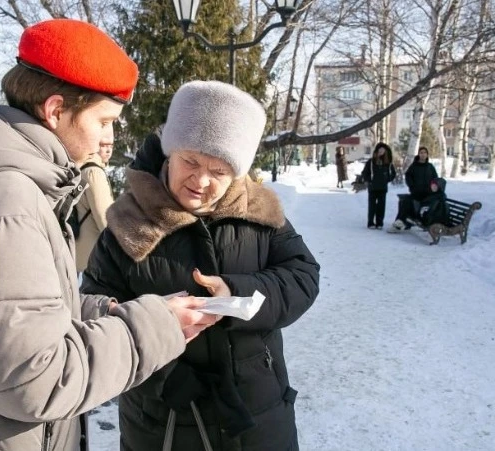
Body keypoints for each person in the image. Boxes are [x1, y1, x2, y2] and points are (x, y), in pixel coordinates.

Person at [0, 19, 220, 451]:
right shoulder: (8, 202)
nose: (110, 139)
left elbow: (6, 315)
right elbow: (34, 379)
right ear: (55, 110)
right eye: (104, 121)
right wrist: (159, 326)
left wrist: (100, 311)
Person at [81, 81, 321, 451]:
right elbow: (91, 306)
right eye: (190, 161)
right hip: (161, 421)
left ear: (237, 173)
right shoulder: (128, 222)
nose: (201, 180)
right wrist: (156, 347)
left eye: (219, 170)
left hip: (258, 415)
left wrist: (235, 292)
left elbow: (303, 276)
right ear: (170, 153)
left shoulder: (259, 212)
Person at [75, 149, 114, 273]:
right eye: (104, 145)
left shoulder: (79, 169)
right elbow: (107, 221)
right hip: (91, 261)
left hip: (77, 256)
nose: (108, 150)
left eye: (111, 145)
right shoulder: (94, 172)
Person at [390, 146, 439, 231]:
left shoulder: (430, 167)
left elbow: (435, 179)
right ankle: (399, 222)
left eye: (425, 153)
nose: (423, 154)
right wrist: (412, 186)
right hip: (416, 193)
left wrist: (433, 186)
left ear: (427, 155)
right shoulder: (414, 166)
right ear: (419, 154)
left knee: (408, 202)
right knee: (405, 201)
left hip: (427, 195)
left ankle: (401, 222)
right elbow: (408, 176)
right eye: (421, 153)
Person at [361, 142, 397, 229]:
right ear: (376, 151)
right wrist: (369, 180)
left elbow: (393, 173)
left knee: (381, 206)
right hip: (373, 187)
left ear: (385, 151)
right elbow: (364, 173)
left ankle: (379, 223)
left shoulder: (388, 163)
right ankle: (370, 222)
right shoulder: (371, 162)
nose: (381, 152)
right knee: (372, 206)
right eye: (379, 150)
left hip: (383, 188)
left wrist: (387, 179)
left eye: (383, 150)